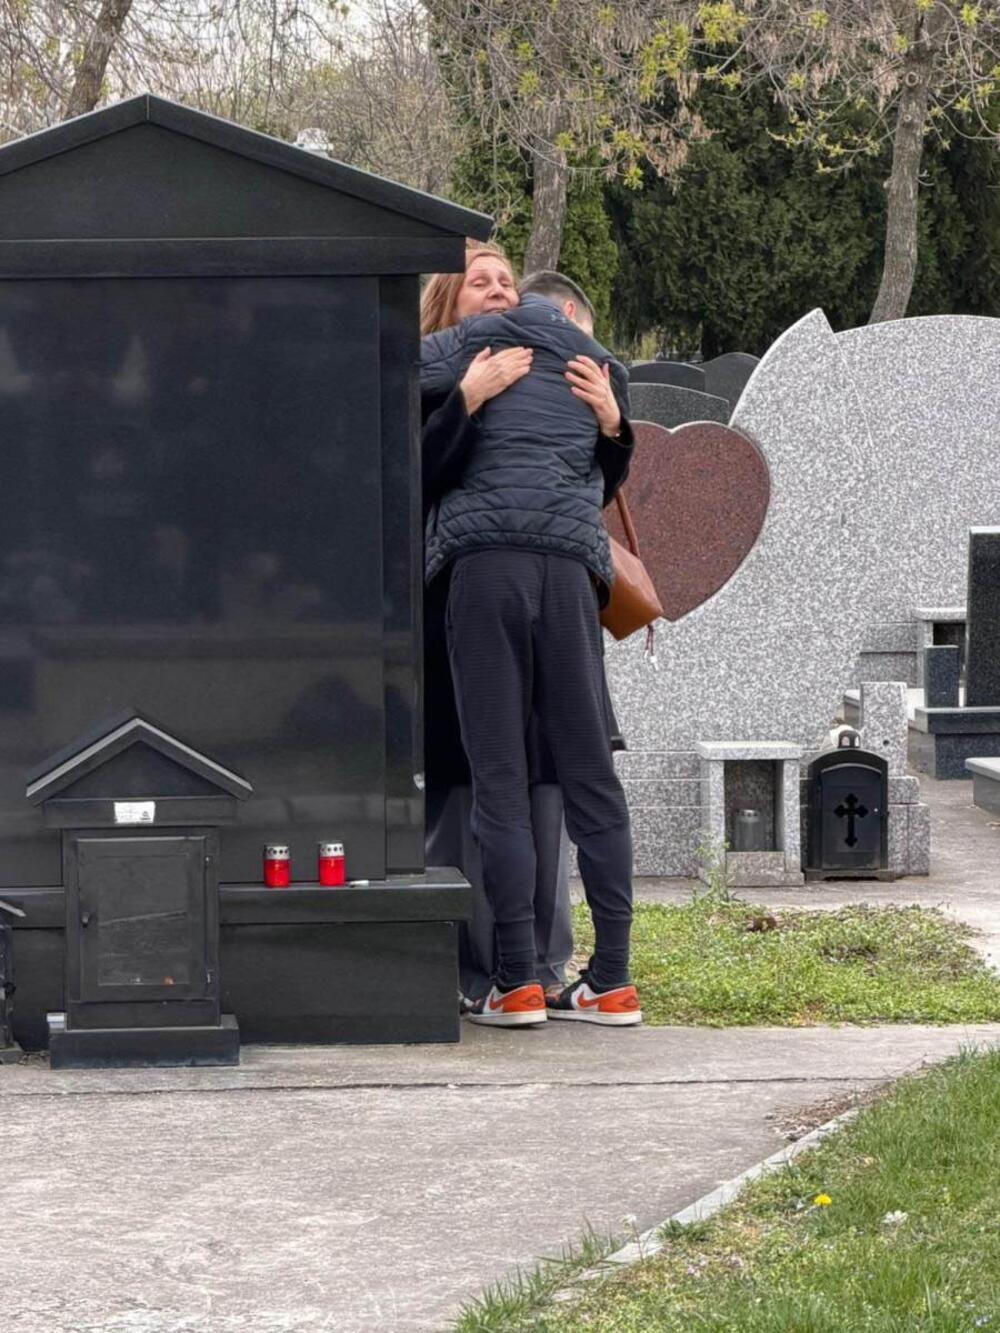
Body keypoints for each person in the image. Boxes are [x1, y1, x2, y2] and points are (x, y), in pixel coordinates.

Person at [421, 269, 641, 1028]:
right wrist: (466, 400)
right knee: (580, 780)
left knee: (509, 782)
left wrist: (613, 425)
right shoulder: (571, 356)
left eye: (505, 280)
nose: (496, 291)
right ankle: (600, 978)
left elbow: (384, 371)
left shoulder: (485, 347)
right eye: (479, 281)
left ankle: (522, 978)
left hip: (490, 576)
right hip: (558, 578)